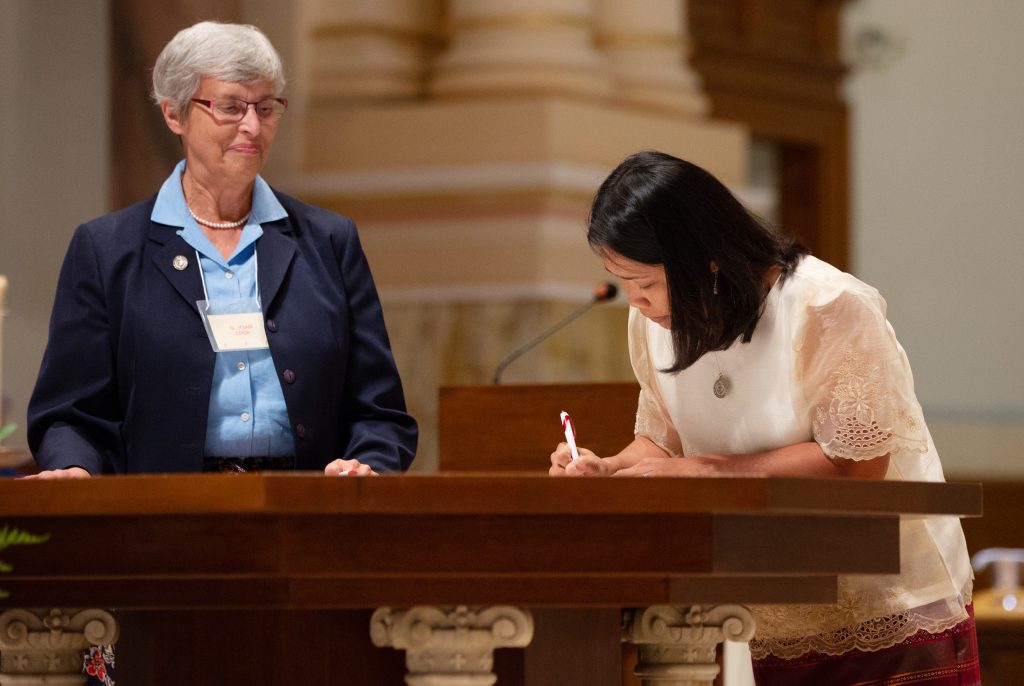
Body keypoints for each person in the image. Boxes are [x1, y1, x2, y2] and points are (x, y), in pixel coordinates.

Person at [550, 151, 979, 685]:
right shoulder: (655, 324)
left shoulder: (827, 305)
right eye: (622, 282)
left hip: (886, 606)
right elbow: (661, 444)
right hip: (771, 600)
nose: (636, 302)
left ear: (702, 256)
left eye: (646, 282)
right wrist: (610, 470)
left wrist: (701, 470)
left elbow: (856, 466)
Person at [27, 21, 417, 480]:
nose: (252, 126)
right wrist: (74, 467)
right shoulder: (106, 250)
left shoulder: (330, 242)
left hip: (308, 513)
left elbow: (380, 411)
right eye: (230, 107)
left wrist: (366, 464)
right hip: (164, 520)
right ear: (174, 114)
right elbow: (70, 413)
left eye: (266, 107)